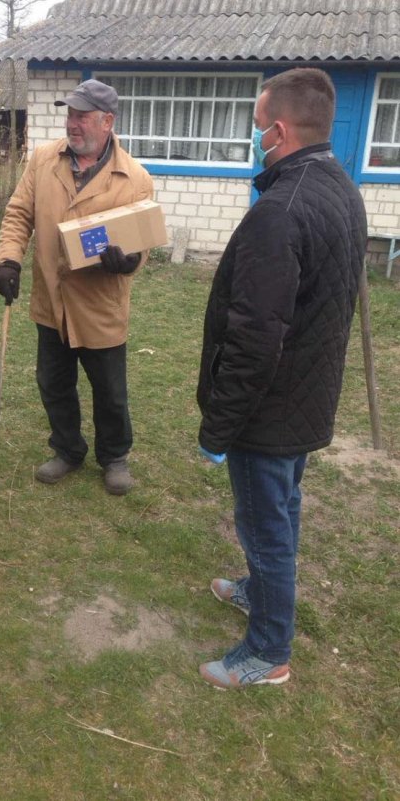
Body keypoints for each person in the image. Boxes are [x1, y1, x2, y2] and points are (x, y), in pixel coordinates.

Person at [196, 67, 367, 688]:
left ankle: (269, 652)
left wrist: (219, 426)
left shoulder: (281, 210)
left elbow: (254, 335)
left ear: (280, 131)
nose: (254, 138)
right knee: (283, 509)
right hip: (305, 395)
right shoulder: (341, 187)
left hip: (269, 408)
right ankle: (258, 590)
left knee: (265, 524)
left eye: (256, 127)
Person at [0, 79, 153, 495]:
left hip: (100, 305)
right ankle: (67, 449)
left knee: (110, 392)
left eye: (82, 117)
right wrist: (9, 259)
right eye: (70, 115)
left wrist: (129, 261)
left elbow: (142, 240)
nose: (72, 124)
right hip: (52, 299)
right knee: (53, 383)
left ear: (107, 122)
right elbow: (19, 213)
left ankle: (114, 457)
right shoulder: (44, 159)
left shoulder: (134, 177)